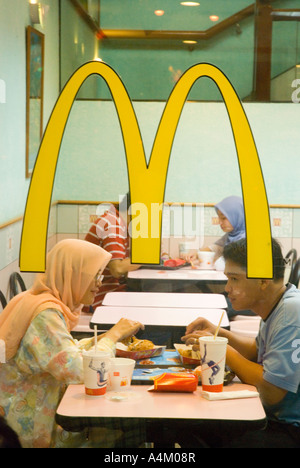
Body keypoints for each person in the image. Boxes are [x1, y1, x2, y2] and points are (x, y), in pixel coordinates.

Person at [0, 239, 145, 448]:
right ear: (72, 274)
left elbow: (63, 352)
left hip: (31, 411)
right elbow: (80, 372)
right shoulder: (45, 315)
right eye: (93, 275)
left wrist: (102, 339)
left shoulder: (35, 299)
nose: (99, 283)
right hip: (29, 429)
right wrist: (113, 336)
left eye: (100, 275)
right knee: (129, 430)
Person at [182, 237, 300, 448]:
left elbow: (272, 392)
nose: (227, 288)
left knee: (190, 426)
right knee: (185, 422)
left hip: (289, 430)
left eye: (234, 279)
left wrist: (224, 351)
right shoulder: (279, 303)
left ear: (263, 281)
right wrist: (220, 335)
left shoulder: (291, 314)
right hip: (272, 418)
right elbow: (257, 351)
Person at [83, 193, 140, 312]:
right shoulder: (113, 224)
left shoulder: (119, 223)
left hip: (107, 291)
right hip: (97, 297)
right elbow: (117, 269)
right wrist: (147, 258)